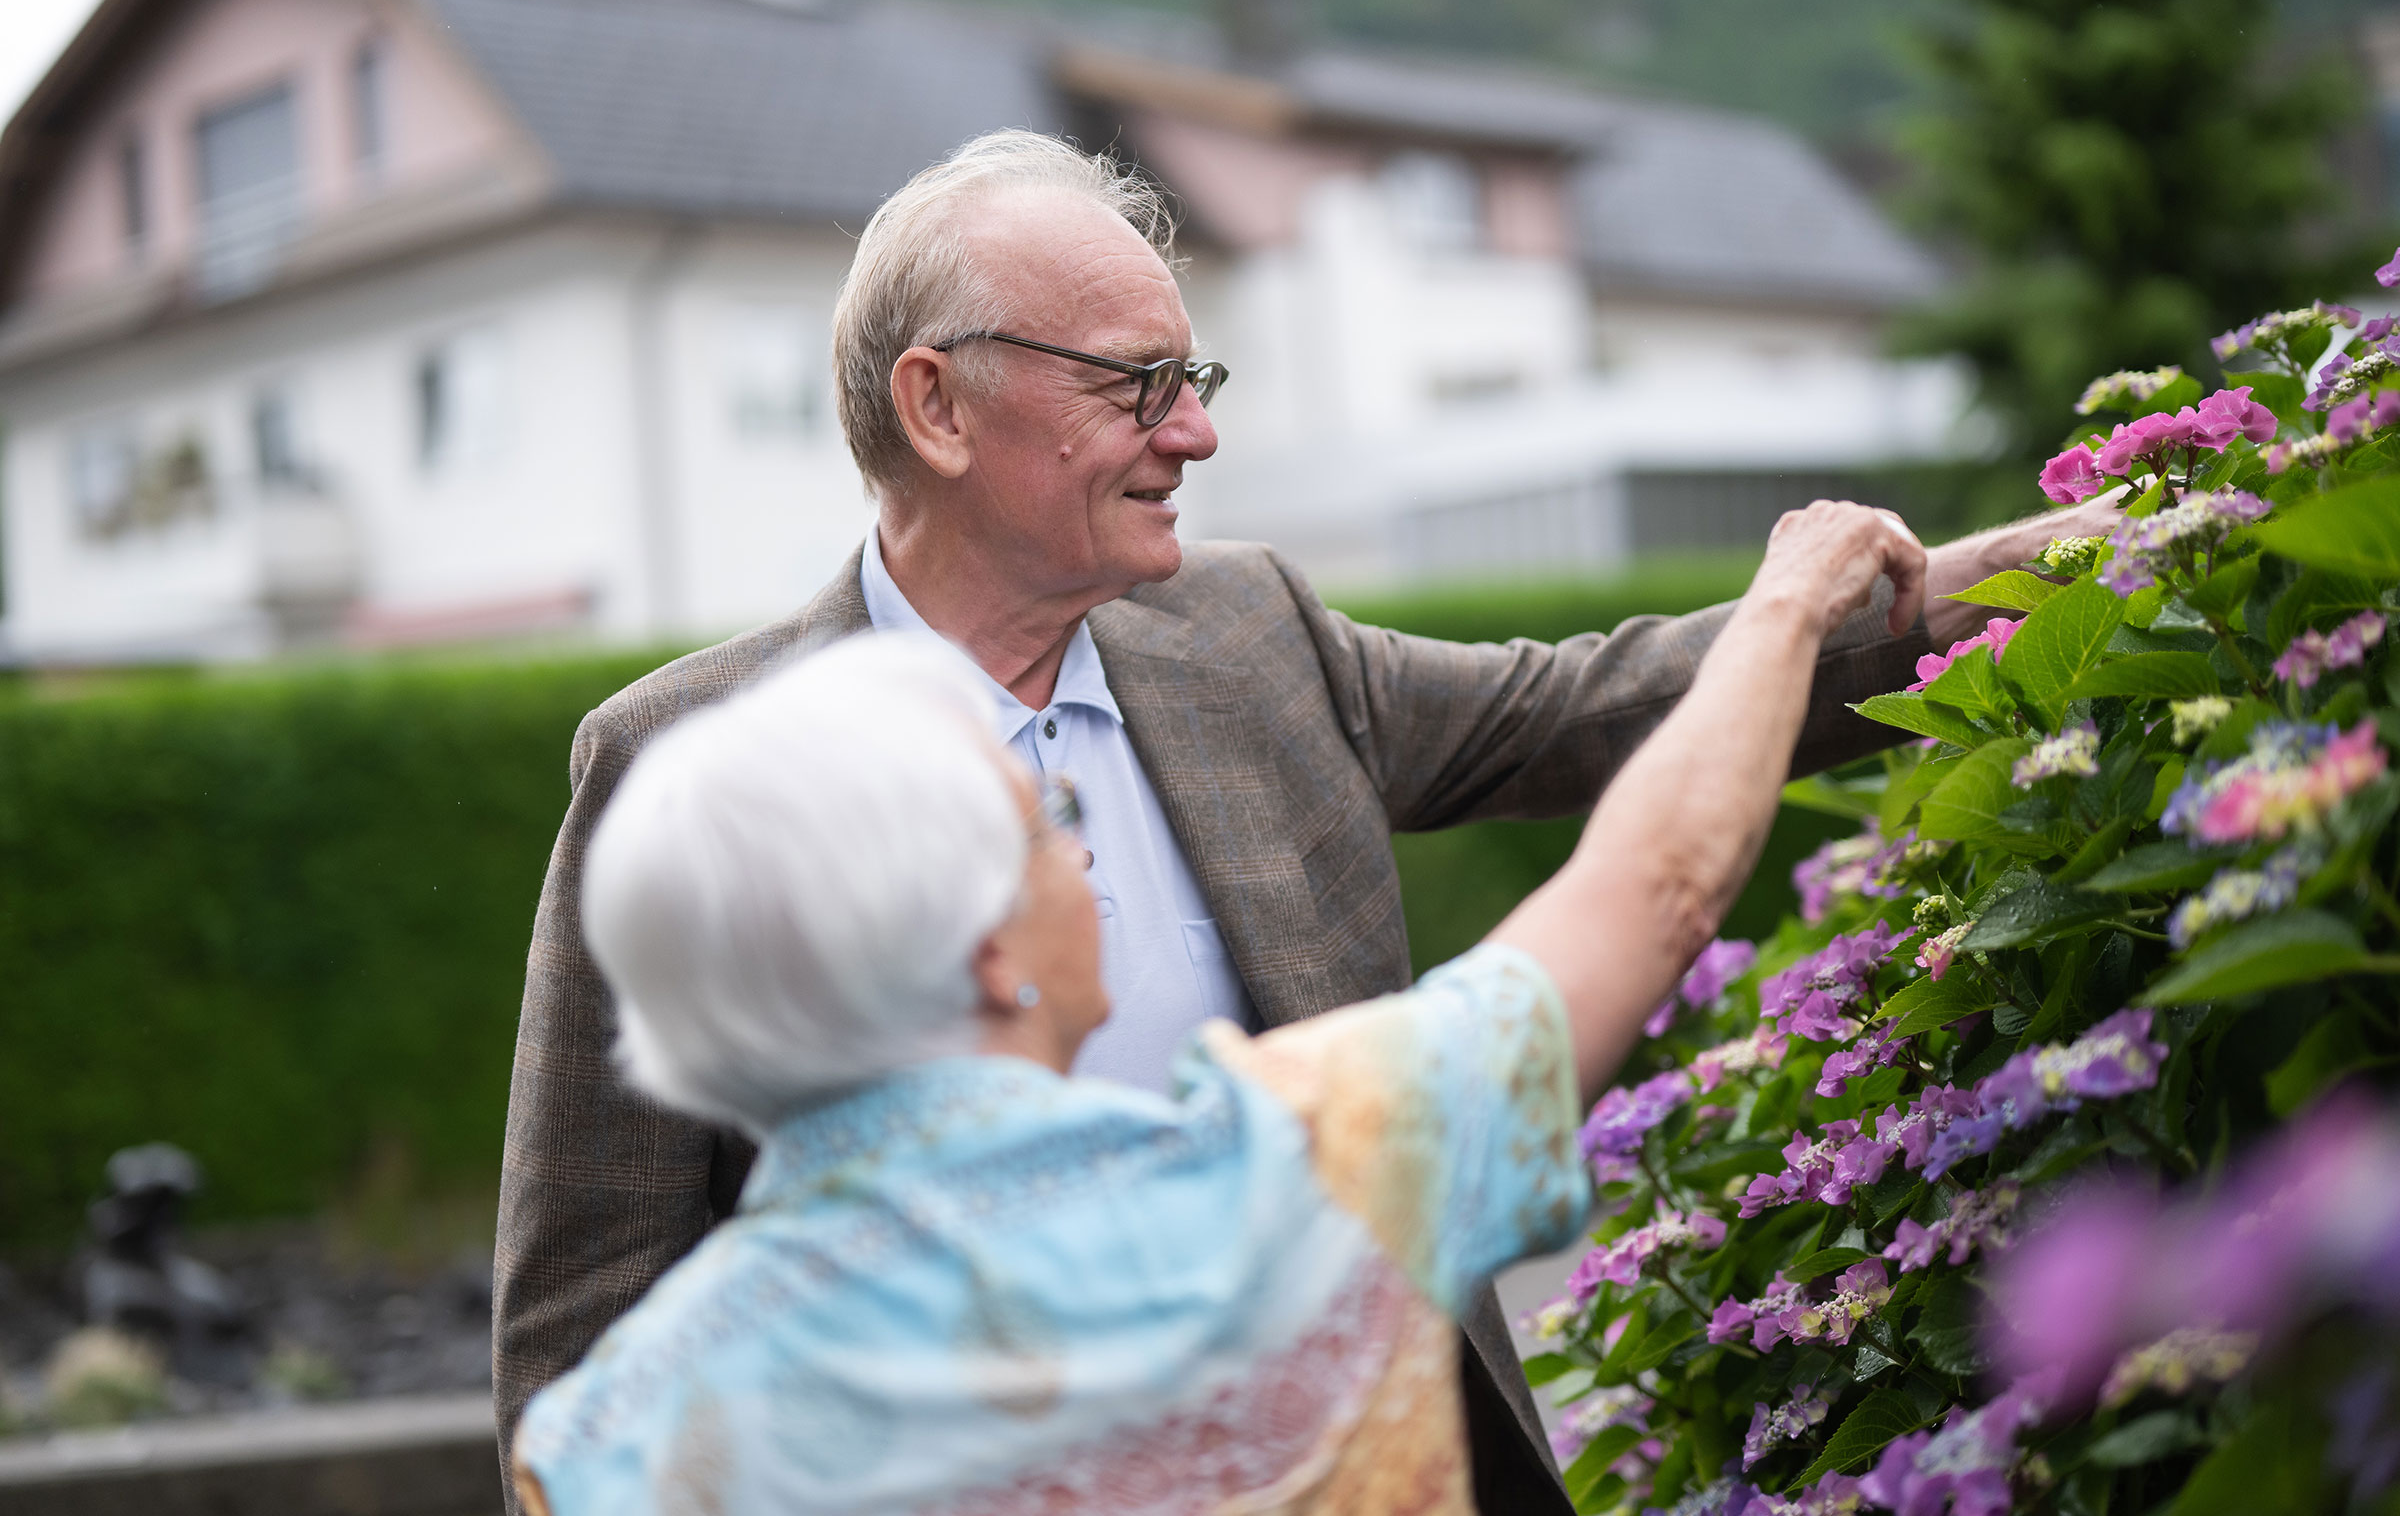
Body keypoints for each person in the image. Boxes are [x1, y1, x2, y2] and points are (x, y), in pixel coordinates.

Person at [493, 130, 2122, 1512]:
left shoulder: (1246, 630)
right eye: (1137, 384)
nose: (1194, 431)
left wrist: (2022, 573)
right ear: (938, 405)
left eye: (1191, 378)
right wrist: (1784, 599)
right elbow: (577, 1306)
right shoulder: (683, 764)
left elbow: (1583, 705)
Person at [509, 498, 1928, 1515]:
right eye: (1046, 822)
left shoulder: (604, 1439)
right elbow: (1658, 883)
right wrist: (1789, 601)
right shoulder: (1289, 1178)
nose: (1083, 857)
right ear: (988, 956)